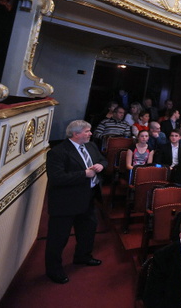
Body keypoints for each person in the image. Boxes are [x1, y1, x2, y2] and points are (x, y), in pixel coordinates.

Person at [45, 120, 107, 284]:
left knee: (88, 230)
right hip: (66, 202)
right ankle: (53, 270)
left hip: (88, 198)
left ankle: (82, 257)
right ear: (76, 134)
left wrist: (101, 165)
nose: (90, 134)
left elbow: (103, 160)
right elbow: (56, 178)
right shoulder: (58, 152)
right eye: (87, 131)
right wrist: (83, 174)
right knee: (58, 238)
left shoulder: (91, 146)